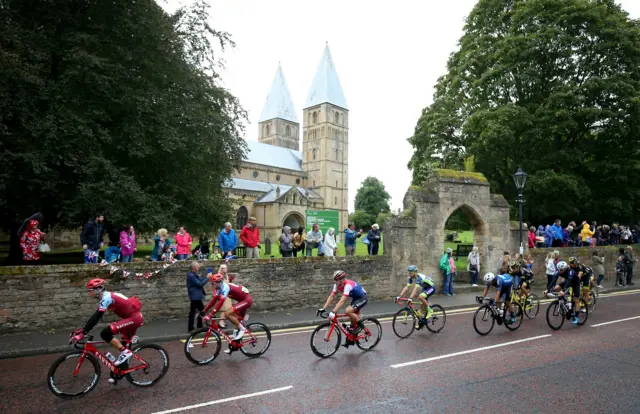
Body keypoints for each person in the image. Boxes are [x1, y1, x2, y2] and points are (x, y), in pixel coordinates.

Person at [70, 279, 143, 370]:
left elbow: (97, 317)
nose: (89, 293)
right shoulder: (108, 296)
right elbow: (95, 316)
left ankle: (125, 352)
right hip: (132, 318)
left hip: (134, 319)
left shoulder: (107, 298)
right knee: (124, 348)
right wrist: (83, 330)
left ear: (98, 289)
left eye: (90, 290)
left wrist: (83, 332)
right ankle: (119, 373)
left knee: (105, 333)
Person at [318, 270, 368, 348]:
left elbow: (342, 300)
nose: (335, 281)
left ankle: (361, 324)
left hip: (362, 298)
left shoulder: (347, 285)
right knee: (351, 321)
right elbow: (331, 296)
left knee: (348, 311)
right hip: (355, 299)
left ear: (342, 279)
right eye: (334, 280)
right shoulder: (336, 285)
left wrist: (333, 311)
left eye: (336, 280)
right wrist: (323, 308)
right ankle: (351, 340)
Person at [202, 273, 253, 345]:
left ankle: (242, 329)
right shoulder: (219, 288)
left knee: (227, 314)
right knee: (235, 319)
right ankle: (234, 345)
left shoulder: (225, 287)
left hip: (246, 300)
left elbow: (220, 303)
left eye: (213, 284)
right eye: (211, 284)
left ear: (218, 282)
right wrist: (204, 310)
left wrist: (210, 314)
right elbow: (213, 301)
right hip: (241, 301)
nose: (212, 285)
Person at [550, 260, 582, 325]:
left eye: (561, 270)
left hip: (575, 284)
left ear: (565, 268)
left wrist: (563, 290)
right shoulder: (559, 271)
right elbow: (554, 280)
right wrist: (547, 290)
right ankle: (565, 301)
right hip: (567, 282)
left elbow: (569, 281)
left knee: (576, 299)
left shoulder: (570, 271)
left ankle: (576, 317)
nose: (559, 271)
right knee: (556, 288)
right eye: (558, 269)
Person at [186, 261, 210, 332]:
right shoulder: (191, 276)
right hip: (194, 296)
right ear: (194, 267)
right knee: (201, 310)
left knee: (194, 311)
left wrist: (206, 277)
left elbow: (200, 280)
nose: (199, 267)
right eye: (198, 266)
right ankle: (198, 326)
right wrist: (208, 278)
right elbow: (200, 284)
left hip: (195, 296)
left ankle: (193, 327)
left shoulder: (193, 274)